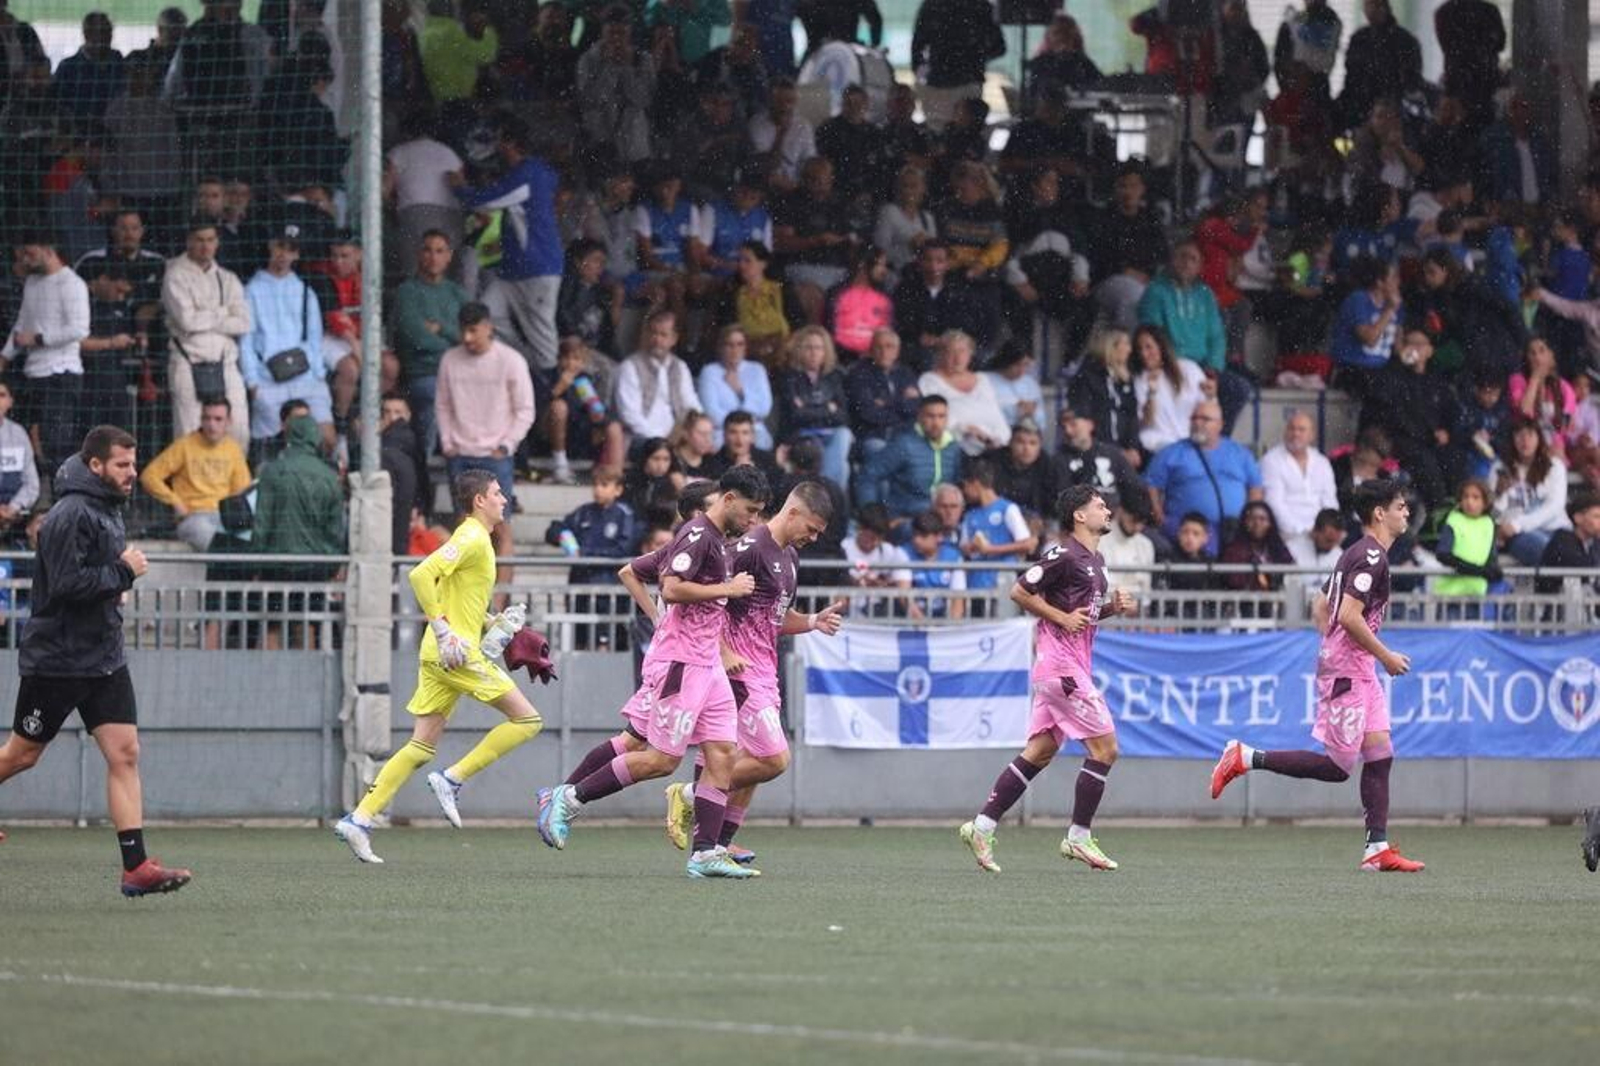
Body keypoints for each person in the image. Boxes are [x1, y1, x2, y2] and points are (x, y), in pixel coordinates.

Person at [537, 466, 771, 879]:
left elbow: (640, 571)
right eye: (750, 511)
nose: (753, 520)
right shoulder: (697, 535)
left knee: (722, 753)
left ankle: (705, 853)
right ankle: (569, 797)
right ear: (729, 499)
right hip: (681, 663)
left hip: (707, 665)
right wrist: (726, 590)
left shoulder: (716, 540)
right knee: (661, 759)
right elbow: (672, 588)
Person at [0, 426, 192, 895]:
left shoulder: (106, 508)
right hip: (58, 659)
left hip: (103, 657)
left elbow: (95, 581)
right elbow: (66, 586)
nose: (133, 473)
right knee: (23, 754)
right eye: (123, 466)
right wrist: (124, 571)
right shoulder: (69, 514)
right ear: (96, 466)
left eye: (134, 463)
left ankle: (136, 868)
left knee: (125, 753)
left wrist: (116, 587)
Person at [1211, 478, 1425, 873]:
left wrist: (1334, 643)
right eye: (1400, 506)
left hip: (1355, 667)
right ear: (1380, 513)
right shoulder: (1371, 557)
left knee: (1380, 753)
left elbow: (1321, 603)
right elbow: (1346, 614)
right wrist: (1384, 657)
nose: (1406, 513)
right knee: (1337, 767)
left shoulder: (1358, 553)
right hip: (1350, 670)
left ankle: (1376, 849)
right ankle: (1244, 757)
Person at [333, 470, 546, 864]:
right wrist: (445, 629)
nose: (504, 499)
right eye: (498, 493)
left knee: (419, 746)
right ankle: (453, 778)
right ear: (479, 501)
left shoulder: (478, 539)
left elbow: (460, 595)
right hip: (456, 655)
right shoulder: (470, 536)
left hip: (440, 654)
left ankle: (358, 820)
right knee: (528, 721)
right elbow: (420, 574)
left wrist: (496, 624)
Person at [662, 481, 844, 862]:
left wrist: (812, 620)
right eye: (811, 528)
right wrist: (723, 650)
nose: (812, 537)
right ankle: (690, 794)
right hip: (737, 669)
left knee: (754, 759)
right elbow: (708, 604)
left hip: (764, 669)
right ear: (792, 512)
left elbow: (771, 618)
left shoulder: (789, 557)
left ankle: (721, 843)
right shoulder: (748, 549)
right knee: (773, 759)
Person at [959, 484, 1137, 874]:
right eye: (1099, 505)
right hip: (1061, 669)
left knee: (1039, 752)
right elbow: (1019, 591)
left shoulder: (1096, 558)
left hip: (1067, 667)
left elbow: (1079, 614)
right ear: (1079, 515)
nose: (1107, 509)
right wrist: (1059, 617)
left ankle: (982, 826)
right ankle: (1077, 836)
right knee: (1105, 750)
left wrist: (1111, 609)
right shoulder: (1063, 554)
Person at [451, 116, 562, 370]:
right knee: (487, 315)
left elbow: (487, 200)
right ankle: (524, 365)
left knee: (543, 339)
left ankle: (554, 391)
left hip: (537, 267)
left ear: (511, 142)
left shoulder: (529, 173)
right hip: (512, 270)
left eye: (499, 139)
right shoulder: (532, 171)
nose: (495, 146)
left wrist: (460, 188)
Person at [1137, 241, 1247, 433]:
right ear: (1172, 260)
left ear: (1200, 266)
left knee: (1238, 389)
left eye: (1193, 259)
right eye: (1182, 256)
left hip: (1202, 367)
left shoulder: (1205, 294)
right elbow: (1152, 334)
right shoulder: (1156, 290)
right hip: (1169, 364)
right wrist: (1171, 361)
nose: (1187, 263)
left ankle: (1217, 440)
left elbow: (1216, 336)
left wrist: (1212, 369)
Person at [162, 220, 251, 452]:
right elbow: (186, 320)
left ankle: (232, 486)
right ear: (189, 241)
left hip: (225, 361)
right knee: (189, 431)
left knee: (238, 428)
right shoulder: (175, 274)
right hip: (188, 358)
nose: (205, 246)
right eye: (200, 240)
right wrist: (223, 312)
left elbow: (243, 322)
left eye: (210, 240)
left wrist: (205, 316)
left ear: (217, 242)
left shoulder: (227, 278)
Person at [2, 236, 89, 471]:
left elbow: (80, 328)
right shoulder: (32, 281)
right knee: (29, 439)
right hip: (33, 373)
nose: (24, 259)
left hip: (60, 374)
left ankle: (64, 500)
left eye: (29, 253)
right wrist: (5, 356)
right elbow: (22, 323)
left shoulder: (72, 284)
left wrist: (39, 338)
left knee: (57, 443)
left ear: (48, 249)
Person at [240, 229, 332, 450]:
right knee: (272, 448)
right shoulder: (251, 290)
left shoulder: (305, 291)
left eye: (291, 249)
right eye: (280, 246)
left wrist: (318, 374)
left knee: (326, 440)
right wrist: (253, 383)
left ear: (297, 254)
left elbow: (315, 337)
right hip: (268, 379)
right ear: (270, 246)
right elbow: (246, 341)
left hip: (307, 377)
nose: (283, 254)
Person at [435, 302, 534, 504]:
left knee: (500, 526)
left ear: (488, 327)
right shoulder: (449, 359)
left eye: (473, 330)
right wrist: (447, 442)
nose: (467, 338)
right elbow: (443, 405)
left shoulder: (511, 360)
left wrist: (506, 445)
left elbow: (525, 410)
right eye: (463, 331)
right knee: (464, 523)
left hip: (496, 454)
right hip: (459, 452)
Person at [1144, 400, 1264, 555]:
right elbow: (1151, 485)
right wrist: (1159, 516)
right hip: (1188, 535)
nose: (1197, 423)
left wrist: (1250, 520)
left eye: (1205, 419)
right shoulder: (1172, 452)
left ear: (1220, 424)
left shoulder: (1239, 453)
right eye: (1194, 418)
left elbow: (1255, 487)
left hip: (1233, 532)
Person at [391, 230, 468, 458]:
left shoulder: (457, 293)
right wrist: (455, 342)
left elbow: (474, 337)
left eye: (439, 251)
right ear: (418, 254)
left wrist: (442, 329)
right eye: (427, 250)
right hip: (424, 372)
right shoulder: (407, 292)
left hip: (460, 372)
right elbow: (417, 339)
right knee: (436, 395)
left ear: (449, 256)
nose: (433, 257)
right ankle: (424, 467)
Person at [139, 398, 251, 551]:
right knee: (207, 534)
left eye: (218, 419)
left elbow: (242, 490)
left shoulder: (233, 449)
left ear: (229, 421)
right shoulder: (184, 445)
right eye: (206, 418)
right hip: (193, 517)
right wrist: (175, 502)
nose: (211, 424)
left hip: (224, 517)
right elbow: (149, 476)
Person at [855, 394, 961, 520]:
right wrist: (871, 516)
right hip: (907, 519)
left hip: (942, 519)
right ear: (920, 417)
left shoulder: (953, 447)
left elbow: (957, 487)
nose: (936, 422)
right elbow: (868, 476)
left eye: (941, 416)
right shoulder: (904, 444)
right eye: (930, 416)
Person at [774, 326, 853, 488]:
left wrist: (808, 408)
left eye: (818, 348)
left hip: (829, 433)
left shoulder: (834, 377)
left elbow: (843, 416)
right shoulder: (790, 377)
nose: (814, 352)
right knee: (841, 467)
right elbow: (795, 416)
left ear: (826, 352)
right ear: (800, 350)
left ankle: (825, 495)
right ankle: (829, 495)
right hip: (802, 435)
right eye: (808, 347)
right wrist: (827, 409)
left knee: (844, 434)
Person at [909, 0, 1005, 130]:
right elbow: (998, 46)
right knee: (958, 131)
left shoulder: (934, 5)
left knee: (946, 131)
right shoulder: (980, 6)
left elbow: (918, 42)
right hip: (951, 80)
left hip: (949, 80)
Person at [1261, 411, 1340, 566]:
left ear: (1312, 435)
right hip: (1288, 536)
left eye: (1301, 429)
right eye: (1291, 428)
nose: (1295, 433)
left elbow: (1330, 501)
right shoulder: (1271, 460)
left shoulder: (1321, 462)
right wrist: (1303, 532)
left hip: (1322, 535)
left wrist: (1327, 528)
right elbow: (1274, 504)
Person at [1493, 417, 1571, 566]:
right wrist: (1498, 494)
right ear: (1512, 439)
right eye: (1519, 435)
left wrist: (1518, 524)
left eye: (1530, 434)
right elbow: (1493, 513)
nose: (1525, 440)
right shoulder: (1499, 468)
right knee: (1546, 551)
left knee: (1567, 551)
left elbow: (1555, 506)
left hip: (1554, 529)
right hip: (1517, 535)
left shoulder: (1554, 466)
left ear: (1539, 439)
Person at [919, 330, 1009, 457]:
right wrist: (965, 430)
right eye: (951, 352)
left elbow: (998, 418)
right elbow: (934, 418)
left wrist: (999, 439)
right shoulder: (929, 380)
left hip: (993, 448)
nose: (958, 358)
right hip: (954, 448)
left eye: (962, 351)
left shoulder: (982, 379)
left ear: (970, 354)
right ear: (941, 354)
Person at [547, 335, 625, 482]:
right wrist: (559, 387)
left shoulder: (585, 379)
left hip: (579, 432)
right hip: (550, 432)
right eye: (566, 358)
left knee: (613, 426)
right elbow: (541, 405)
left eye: (576, 359)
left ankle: (613, 477)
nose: (571, 364)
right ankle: (560, 464)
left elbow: (593, 407)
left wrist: (596, 413)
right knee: (559, 407)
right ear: (558, 359)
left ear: (583, 362)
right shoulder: (550, 375)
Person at [616, 309, 700, 441]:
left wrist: (693, 428)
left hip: (677, 437)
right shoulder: (630, 367)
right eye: (653, 333)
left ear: (674, 339)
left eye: (663, 335)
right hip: (642, 439)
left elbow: (691, 404)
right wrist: (660, 441)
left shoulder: (680, 367)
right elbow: (630, 415)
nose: (657, 339)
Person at [958, 459, 1036, 594]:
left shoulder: (1008, 509)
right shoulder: (970, 515)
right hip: (975, 583)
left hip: (1003, 583)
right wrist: (974, 546)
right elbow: (964, 548)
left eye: (965, 486)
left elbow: (1028, 544)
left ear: (975, 483)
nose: (964, 491)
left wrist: (991, 549)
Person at [1132, 324, 1208, 455]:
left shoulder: (1189, 369)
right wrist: (1151, 393)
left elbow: (1206, 408)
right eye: (1140, 349)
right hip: (1157, 446)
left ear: (1161, 346)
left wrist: (1211, 396)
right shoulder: (1140, 380)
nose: (1144, 354)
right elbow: (1146, 422)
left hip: (1191, 442)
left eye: (1149, 347)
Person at [1068, 329, 1140, 466]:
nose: (1129, 350)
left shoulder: (1125, 379)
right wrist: (1114, 451)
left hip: (1125, 453)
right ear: (1110, 346)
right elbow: (1085, 417)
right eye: (1125, 344)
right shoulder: (1086, 377)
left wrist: (1133, 448)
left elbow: (1132, 414)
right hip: (1096, 451)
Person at [697, 325, 775, 451]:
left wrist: (740, 390)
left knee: (761, 443)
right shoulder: (709, 372)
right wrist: (738, 428)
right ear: (721, 347)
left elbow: (764, 408)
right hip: (723, 432)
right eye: (729, 345)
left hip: (755, 430)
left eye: (740, 344)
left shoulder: (757, 370)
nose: (735, 350)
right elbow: (711, 412)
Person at [982, 421, 1054, 519]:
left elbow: (1052, 505)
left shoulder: (1047, 465)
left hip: (1036, 523)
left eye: (1033, 443)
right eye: (1020, 442)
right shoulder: (994, 461)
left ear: (1040, 446)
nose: (1026, 448)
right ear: (1010, 443)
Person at [906, 509, 966, 619]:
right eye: (915, 535)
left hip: (944, 620)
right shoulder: (904, 553)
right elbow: (904, 595)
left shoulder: (954, 556)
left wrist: (949, 630)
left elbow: (958, 600)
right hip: (913, 623)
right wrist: (927, 627)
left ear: (939, 536)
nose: (916, 540)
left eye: (923, 536)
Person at [0, 381, 39, 539]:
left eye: (1, 395)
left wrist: (12, 507)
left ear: (10, 401)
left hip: (14, 517)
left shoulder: (19, 434)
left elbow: (32, 484)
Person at [984, 341, 1043, 431]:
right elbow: (983, 413)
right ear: (1007, 362)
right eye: (1017, 365)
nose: (1022, 370)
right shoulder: (985, 380)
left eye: (1025, 365)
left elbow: (1042, 419)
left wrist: (1032, 412)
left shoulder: (1030, 383)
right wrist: (1014, 410)